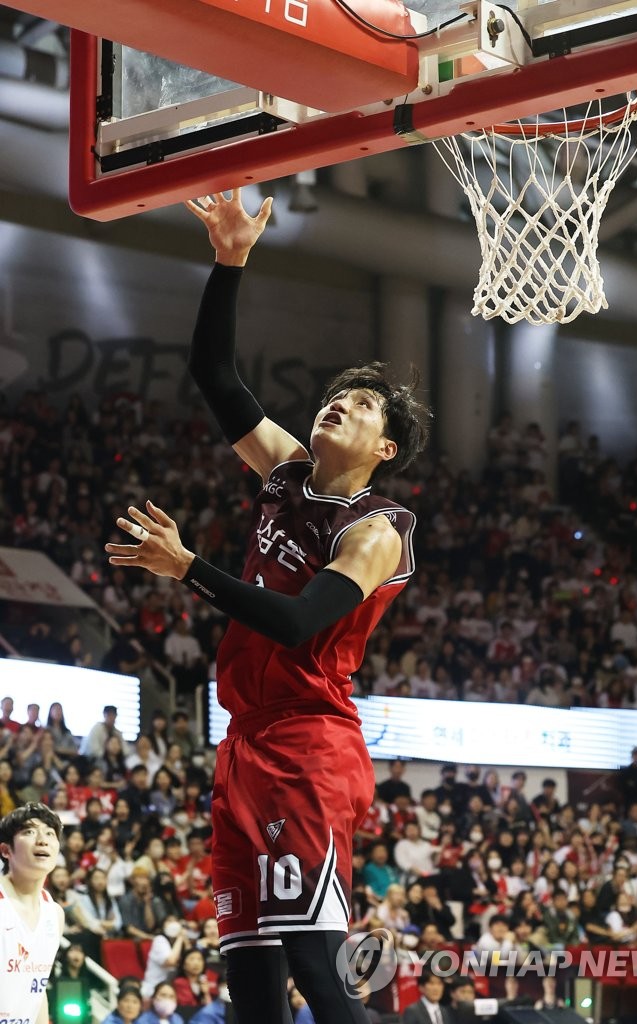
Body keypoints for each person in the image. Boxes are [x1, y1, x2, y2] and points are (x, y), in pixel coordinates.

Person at [105, 188, 429, 1024]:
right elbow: (215, 374)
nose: (340, 403)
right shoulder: (286, 470)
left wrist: (188, 569)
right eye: (337, 394)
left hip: (307, 748)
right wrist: (230, 259)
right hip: (243, 743)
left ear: (382, 448)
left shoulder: (376, 531)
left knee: (320, 977)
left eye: (361, 406)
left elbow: (292, 622)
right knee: (250, 991)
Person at [0, 802, 64, 1024]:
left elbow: (37, 991)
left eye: (50, 833)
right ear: (5, 850)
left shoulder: (54, 914)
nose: (42, 840)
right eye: (29, 832)